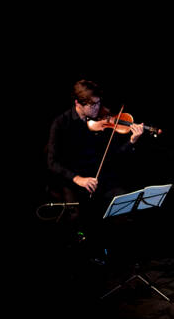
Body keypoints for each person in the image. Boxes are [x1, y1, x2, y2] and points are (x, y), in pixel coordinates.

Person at [45, 79, 146, 254]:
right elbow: (52, 162)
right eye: (92, 105)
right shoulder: (61, 123)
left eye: (98, 103)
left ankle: (114, 248)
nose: (97, 109)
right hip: (72, 180)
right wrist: (78, 179)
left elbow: (113, 155)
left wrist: (131, 141)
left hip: (98, 177)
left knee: (122, 200)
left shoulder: (101, 122)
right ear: (78, 103)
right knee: (77, 215)